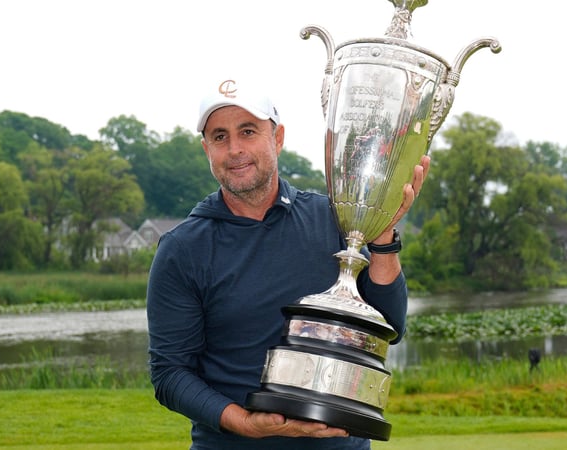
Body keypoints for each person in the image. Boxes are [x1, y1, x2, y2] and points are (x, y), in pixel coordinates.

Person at [147, 78, 430, 450]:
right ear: (206, 149)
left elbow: (390, 326)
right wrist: (244, 422)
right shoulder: (182, 250)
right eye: (219, 137)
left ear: (277, 138)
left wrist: (383, 239)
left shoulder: (336, 218)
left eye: (248, 131)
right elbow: (170, 373)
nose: (234, 149)